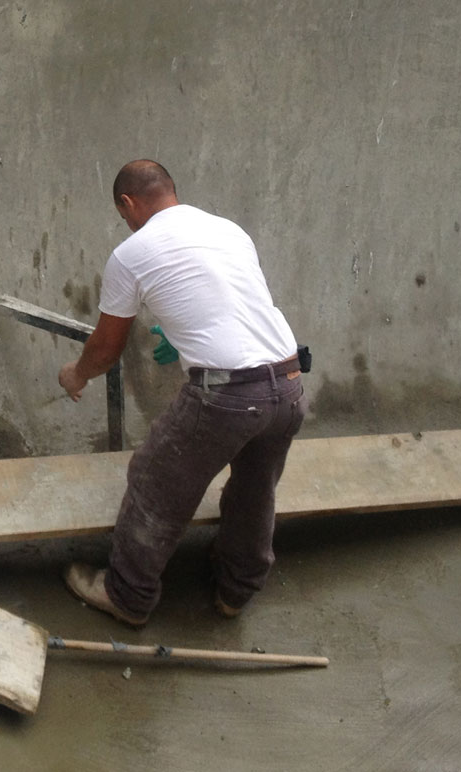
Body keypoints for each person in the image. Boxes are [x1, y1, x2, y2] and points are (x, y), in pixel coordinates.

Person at [57, 159, 308, 626]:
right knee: (255, 490)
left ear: (128, 203)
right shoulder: (230, 231)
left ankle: (127, 595)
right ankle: (237, 590)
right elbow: (233, 305)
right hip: (289, 385)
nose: (127, 223)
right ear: (172, 191)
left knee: (154, 481)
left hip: (228, 398)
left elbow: (107, 348)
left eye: (123, 214)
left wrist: (76, 374)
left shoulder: (131, 253)